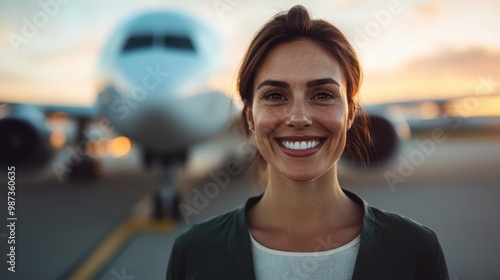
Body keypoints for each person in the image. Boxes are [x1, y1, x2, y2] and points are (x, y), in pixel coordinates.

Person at [167, 5, 449, 280]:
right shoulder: (192, 253)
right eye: (275, 96)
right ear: (250, 117)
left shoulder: (416, 251)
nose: (298, 118)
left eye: (323, 95)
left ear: (350, 114)